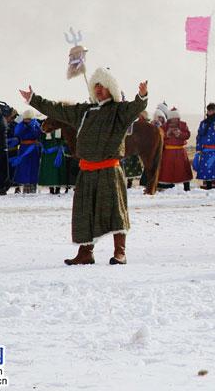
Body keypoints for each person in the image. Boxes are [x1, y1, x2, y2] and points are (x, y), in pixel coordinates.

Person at [20, 68, 148, 266]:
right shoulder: (84, 111)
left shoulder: (119, 111)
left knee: (115, 210)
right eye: (95, 85)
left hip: (109, 169)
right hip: (87, 170)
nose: (98, 89)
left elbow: (136, 107)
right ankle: (85, 253)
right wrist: (34, 99)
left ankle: (119, 252)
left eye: (102, 86)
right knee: (84, 211)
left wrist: (141, 95)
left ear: (110, 89)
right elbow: (58, 110)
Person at [160, 107, 194, 191]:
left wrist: (179, 134)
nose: (174, 119)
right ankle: (167, 188)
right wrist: (167, 134)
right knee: (167, 170)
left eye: (175, 118)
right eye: (172, 118)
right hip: (168, 152)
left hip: (180, 151)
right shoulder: (164, 126)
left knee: (183, 170)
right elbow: (159, 136)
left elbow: (187, 135)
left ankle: (187, 187)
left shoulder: (183, 124)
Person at [12, 109, 43, 193]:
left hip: (33, 149)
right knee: (24, 167)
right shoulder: (20, 125)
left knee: (33, 167)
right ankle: (25, 186)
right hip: (24, 148)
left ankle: (33, 186)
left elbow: (38, 134)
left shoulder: (36, 124)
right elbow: (17, 133)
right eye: (26, 119)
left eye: (29, 119)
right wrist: (25, 127)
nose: (27, 120)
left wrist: (31, 127)